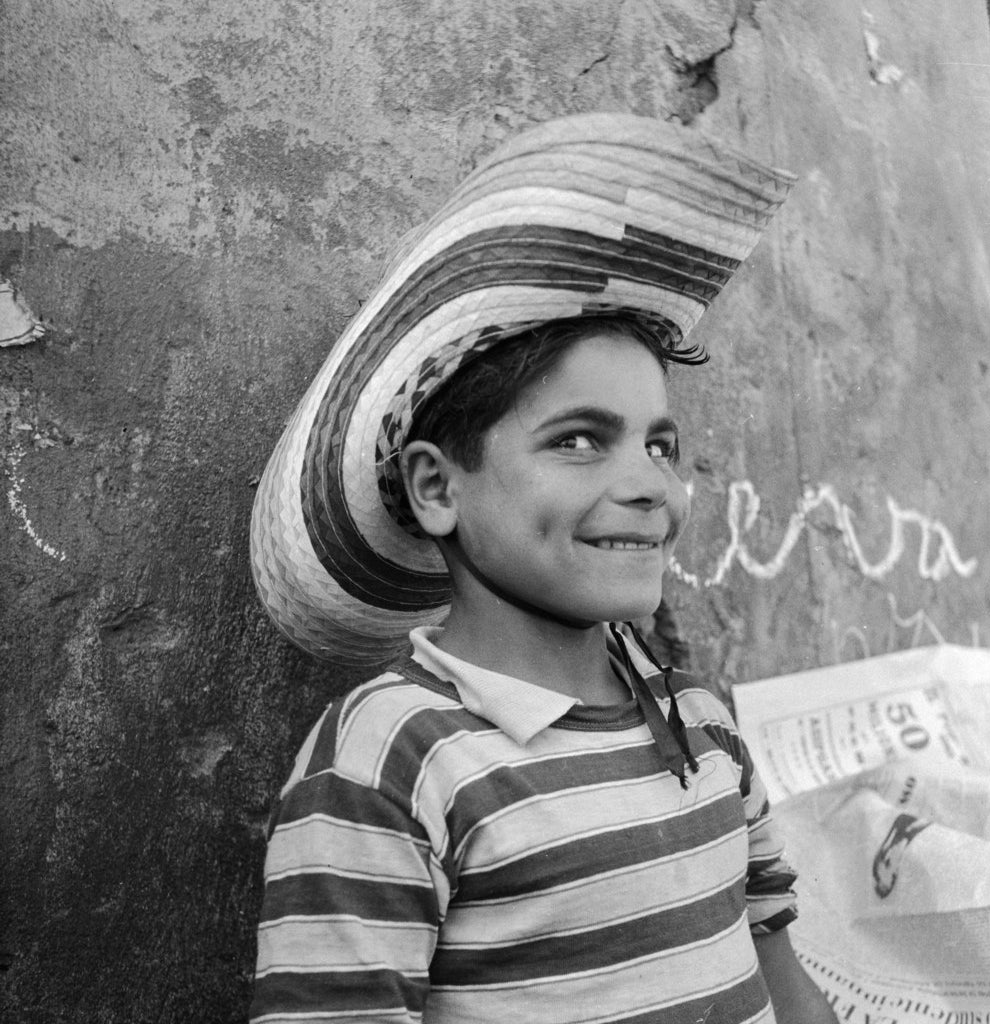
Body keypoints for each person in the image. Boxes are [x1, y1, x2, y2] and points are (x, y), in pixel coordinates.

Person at [248, 113, 838, 1024]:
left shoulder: (702, 723)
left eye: (661, 444)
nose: (650, 486)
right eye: (578, 440)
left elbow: (777, 968)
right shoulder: (390, 758)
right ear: (438, 489)